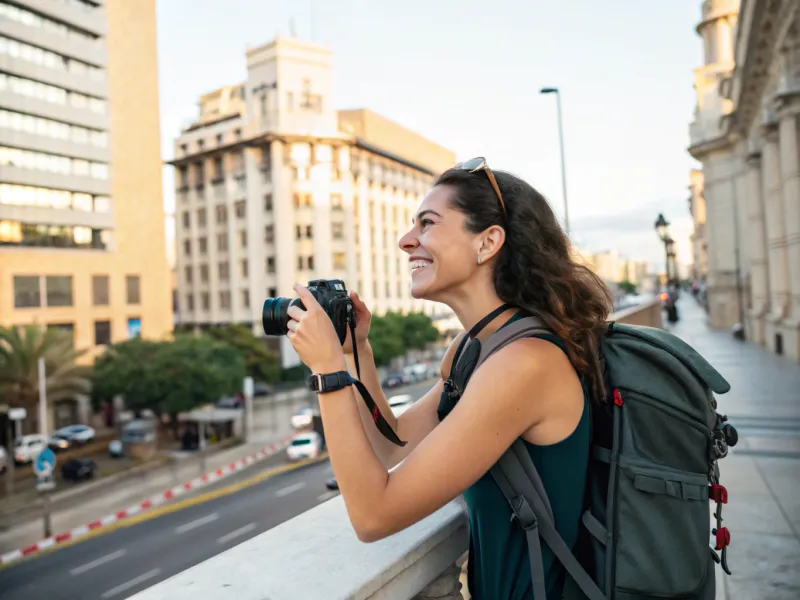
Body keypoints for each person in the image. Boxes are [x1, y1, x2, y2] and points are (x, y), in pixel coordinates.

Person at [286, 158, 612, 600]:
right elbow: (392, 445)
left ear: (488, 242)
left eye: (427, 223)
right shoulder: (474, 347)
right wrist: (353, 352)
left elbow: (373, 515)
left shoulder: (525, 363)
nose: (406, 241)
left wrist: (328, 373)